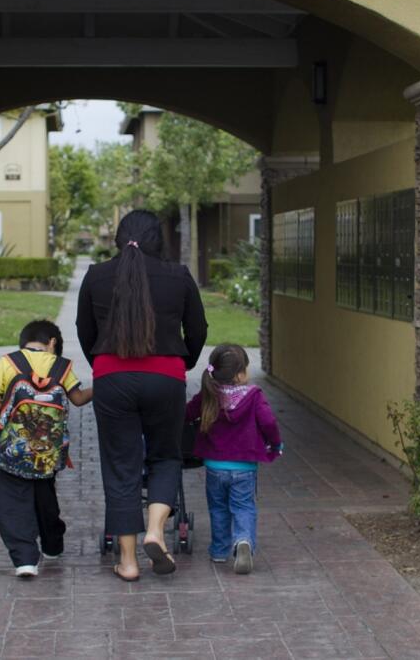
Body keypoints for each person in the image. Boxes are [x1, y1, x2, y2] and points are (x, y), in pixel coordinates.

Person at [77, 209, 207, 580]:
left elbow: (84, 330)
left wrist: (103, 365)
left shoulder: (96, 276)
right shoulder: (178, 276)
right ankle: (155, 531)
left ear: (118, 237)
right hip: (166, 378)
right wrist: (183, 364)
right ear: (158, 239)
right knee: (166, 456)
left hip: (112, 380)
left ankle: (129, 562)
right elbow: (197, 329)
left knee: (121, 466)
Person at [0, 319, 93, 577]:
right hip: (46, 453)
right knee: (45, 498)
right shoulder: (62, 367)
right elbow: (78, 399)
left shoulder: (8, 362)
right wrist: (104, 386)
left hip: (11, 451)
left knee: (12, 501)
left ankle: (25, 560)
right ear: (52, 342)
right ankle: (52, 545)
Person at [184, 344, 282, 574]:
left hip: (214, 467)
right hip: (244, 467)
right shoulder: (254, 396)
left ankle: (219, 551)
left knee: (218, 508)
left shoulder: (208, 394)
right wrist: (275, 444)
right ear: (239, 374)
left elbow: (187, 413)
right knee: (243, 506)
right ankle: (243, 541)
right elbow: (268, 422)